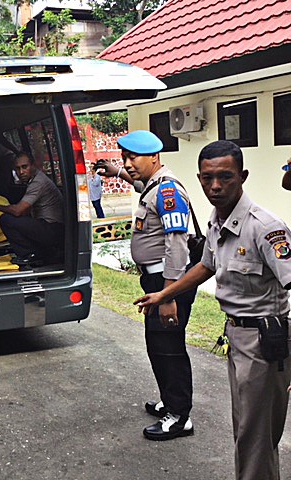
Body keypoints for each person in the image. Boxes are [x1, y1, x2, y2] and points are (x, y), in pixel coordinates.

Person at [135, 140, 291, 480]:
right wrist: (165, 294)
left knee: (255, 438)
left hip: (265, 341)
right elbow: (206, 264)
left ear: (243, 176)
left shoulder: (265, 227)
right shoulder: (218, 219)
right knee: (248, 432)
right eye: (207, 178)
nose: (215, 186)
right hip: (238, 336)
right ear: (199, 178)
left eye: (225, 177)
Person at [98, 131, 196, 441]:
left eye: (132, 158)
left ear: (154, 157)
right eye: (124, 158)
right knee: (157, 344)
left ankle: (180, 417)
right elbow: (140, 184)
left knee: (168, 346)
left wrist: (167, 295)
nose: (128, 163)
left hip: (169, 282)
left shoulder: (168, 191)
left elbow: (177, 244)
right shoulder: (154, 185)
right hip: (156, 279)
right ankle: (170, 400)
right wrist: (117, 173)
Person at [0, 151, 64, 268]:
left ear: (33, 165)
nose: (21, 172)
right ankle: (42, 253)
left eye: (24, 167)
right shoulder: (34, 180)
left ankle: (29, 254)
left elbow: (18, 210)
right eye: (17, 169)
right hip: (50, 227)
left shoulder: (38, 183)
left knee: (6, 220)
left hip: (52, 228)